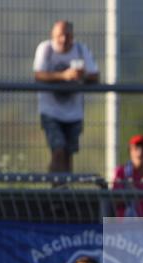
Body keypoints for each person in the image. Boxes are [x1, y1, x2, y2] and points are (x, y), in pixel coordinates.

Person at [33, 20, 100, 174]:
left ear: (72, 36)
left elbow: (95, 76)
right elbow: (38, 74)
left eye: (67, 36)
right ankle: (56, 187)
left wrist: (82, 76)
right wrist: (64, 75)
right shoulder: (46, 49)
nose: (63, 39)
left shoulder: (81, 50)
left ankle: (66, 192)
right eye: (59, 36)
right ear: (53, 36)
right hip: (51, 111)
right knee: (58, 150)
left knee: (68, 154)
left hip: (74, 113)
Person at [110, 135, 143, 218]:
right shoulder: (121, 172)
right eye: (136, 148)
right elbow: (116, 199)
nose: (140, 152)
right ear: (130, 151)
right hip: (127, 224)